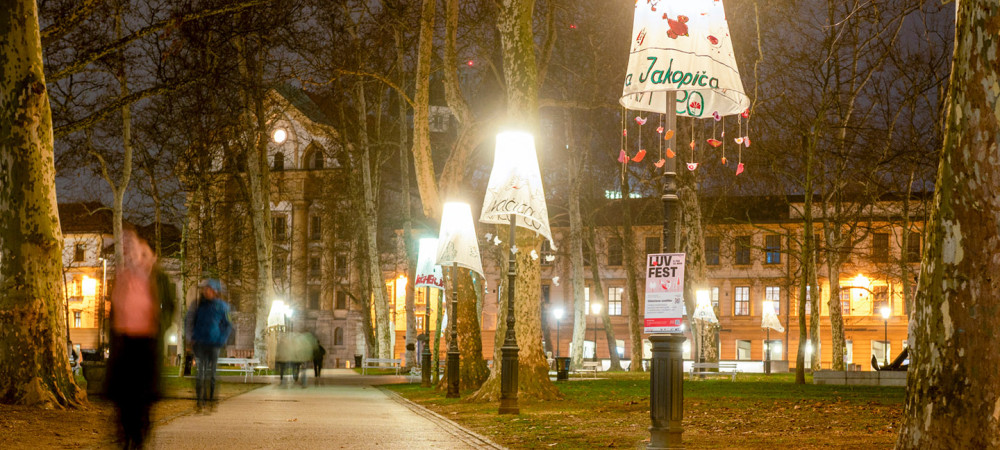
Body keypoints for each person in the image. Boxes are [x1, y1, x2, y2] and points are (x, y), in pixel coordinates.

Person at [105, 227, 176, 449]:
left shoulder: (159, 279)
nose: (139, 258)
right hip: (124, 345)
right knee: (124, 402)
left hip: (146, 346)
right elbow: (114, 311)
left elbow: (170, 308)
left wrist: (159, 327)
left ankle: (138, 438)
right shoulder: (124, 277)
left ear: (153, 257)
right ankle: (126, 437)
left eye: (144, 254)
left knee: (142, 402)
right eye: (137, 253)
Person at [185, 278, 232, 412]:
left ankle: (211, 400)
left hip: (215, 344)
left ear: (216, 292)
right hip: (200, 343)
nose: (207, 292)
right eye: (206, 289)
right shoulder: (197, 305)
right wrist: (190, 337)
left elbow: (228, 325)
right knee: (200, 373)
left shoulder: (222, 306)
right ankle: (200, 402)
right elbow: (188, 321)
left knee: (212, 374)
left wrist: (222, 339)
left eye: (210, 289)